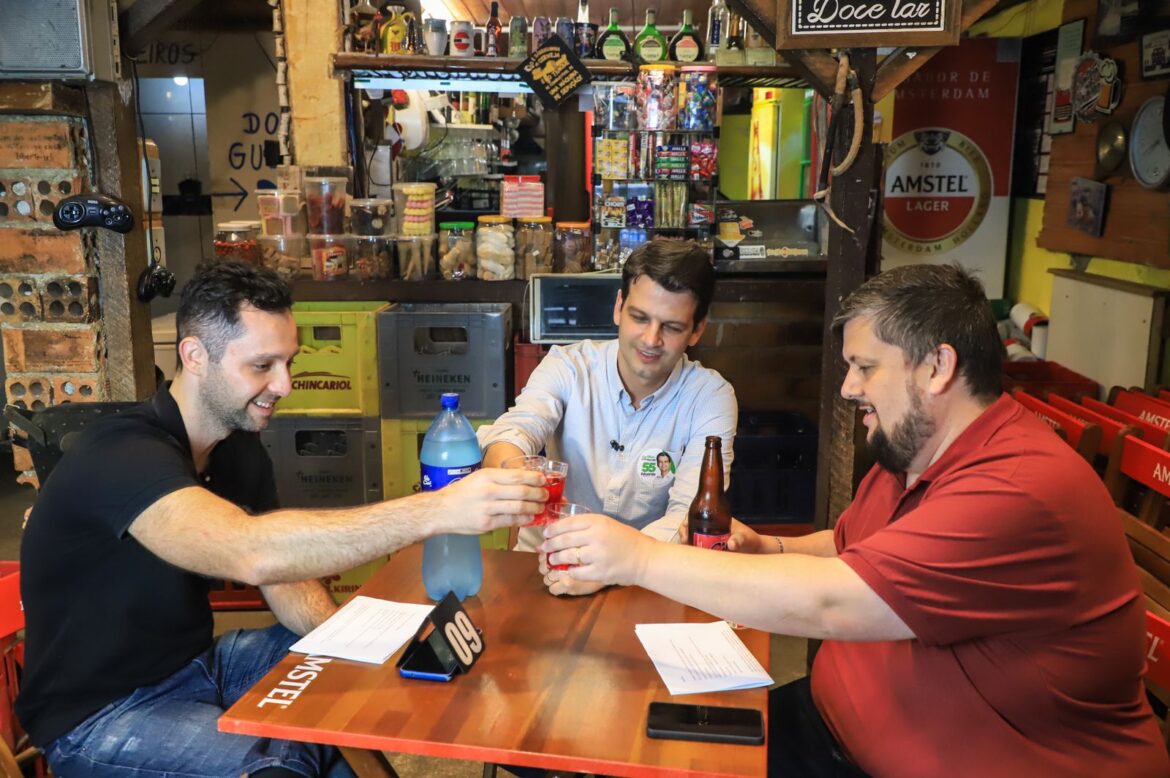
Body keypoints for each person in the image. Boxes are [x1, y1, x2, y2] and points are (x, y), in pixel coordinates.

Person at [540, 263, 1170, 776]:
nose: (847, 388)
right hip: (830, 729)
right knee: (626, 746)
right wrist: (770, 550)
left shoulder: (1018, 489)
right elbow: (845, 547)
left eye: (865, 367)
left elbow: (836, 603)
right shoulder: (915, 454)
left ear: (937, 367)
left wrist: (637, 556)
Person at [16, 262, 546, 778]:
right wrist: (439, 509)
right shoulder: (122, 456)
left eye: (289, 362)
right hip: (103, 716)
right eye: (262, 365)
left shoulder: (236, 447)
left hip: (200, 667)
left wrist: (345, 644)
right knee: (281, 759)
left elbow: (285, 575)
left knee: (356, 682)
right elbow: (253, 553)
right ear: (195, 356)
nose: (286, 384)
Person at [476, 240, 737, 595]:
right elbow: (517, 429)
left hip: (647, 582)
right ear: (618, 308)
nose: (650, 339)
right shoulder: (568, 366)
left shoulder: (710, 398)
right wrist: (512, 469)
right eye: (639, 318)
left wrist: (612, 566)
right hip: (544, 564)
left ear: (697, 330)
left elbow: (689, 517)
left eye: (672, 327)